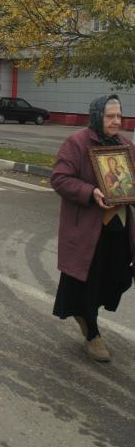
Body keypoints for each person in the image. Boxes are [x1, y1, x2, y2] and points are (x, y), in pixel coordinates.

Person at [52, 94, 135, 362]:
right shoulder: (77, 142)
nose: (116, 121)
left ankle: (84, 311)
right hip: (88, 231)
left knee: (120, 278)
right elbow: (60, 178)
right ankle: (92, 333)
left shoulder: (125, 145)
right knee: (88, 283)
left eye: (119, 116)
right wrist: (90, 192)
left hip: (119, 227)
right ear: (98, 116)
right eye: (110, 116)